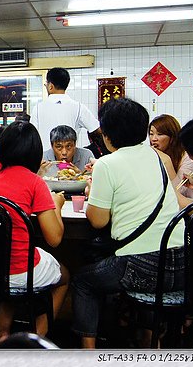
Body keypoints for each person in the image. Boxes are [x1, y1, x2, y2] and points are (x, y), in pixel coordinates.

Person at [72, 98, 184, 349]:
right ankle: (148, 340)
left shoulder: (107, 164)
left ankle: (87, 354)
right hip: (181, 264)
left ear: (108, 135)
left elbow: (98, 221)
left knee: (83, 280)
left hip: (143, 267)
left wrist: (93, 189)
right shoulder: (159, 157)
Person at [0, 121, 69, 343]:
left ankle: (3, 334)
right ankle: (32, 340)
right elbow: (54, 239)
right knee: (65, 276)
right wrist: (57, 205)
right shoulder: (34, 182)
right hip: (19, 274)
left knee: (2, 267)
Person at [30, 67, 104, 152]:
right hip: (70, 161)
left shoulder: (38, 108)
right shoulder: (79, 107)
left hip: (45, 161)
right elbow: (97, 129)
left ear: (50, 86)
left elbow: (32, 136)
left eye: (46, 83)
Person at [149, 114, 193, 199]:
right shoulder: (150, 156)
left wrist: (167, 162)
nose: (153, 139)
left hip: (186, 207)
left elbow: (180, 190)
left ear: (172, 137)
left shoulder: (187, 158)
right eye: (151, 134)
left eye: (159, 134)